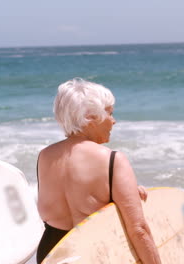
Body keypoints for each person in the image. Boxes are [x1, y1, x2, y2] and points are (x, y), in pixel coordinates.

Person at [36, 78, 161, 264]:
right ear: (91, 117)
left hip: (52, 254)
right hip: (96, 254)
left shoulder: (44, 157)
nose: (114, 121)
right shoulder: (112, 159)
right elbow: (138, 230)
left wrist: (123, 196)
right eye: (110, 113)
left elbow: (69, 201)